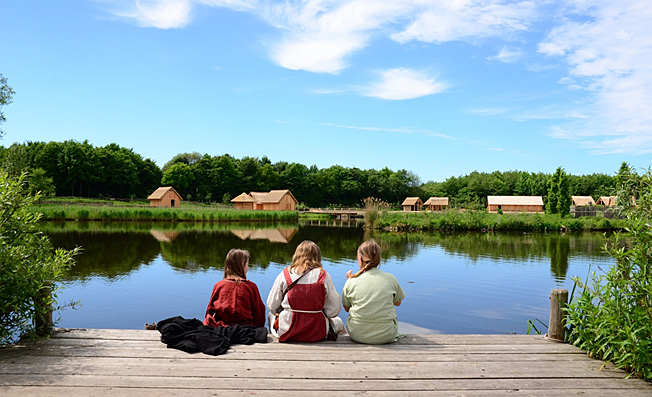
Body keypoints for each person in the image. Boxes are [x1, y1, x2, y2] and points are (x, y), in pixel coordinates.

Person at [267, 240, 344, 342]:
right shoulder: (323, 276)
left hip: (288, 330)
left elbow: (272, 306)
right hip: (317, 332)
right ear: (317, 256)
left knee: (270, 315)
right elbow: (334, 310)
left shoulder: (285, 274)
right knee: (338, 321)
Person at [342, 240, 406, 344]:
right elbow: (398, 303)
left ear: (360, 259)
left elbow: (346, 308)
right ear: (380, 260)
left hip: (358, 334)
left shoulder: (351, 281)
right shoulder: (390, 278)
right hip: (387, 334)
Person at [203, 249, 266, 328]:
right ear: (242, 266)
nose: (248, 267)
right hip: (246, 329)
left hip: (222, 328)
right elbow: (259, 314)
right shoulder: (251, 287)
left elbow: (210, 312)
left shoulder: (219, 286)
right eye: (247, 264)